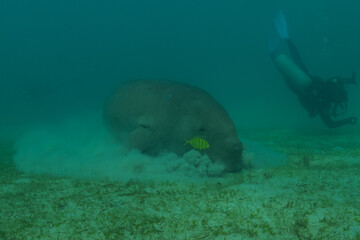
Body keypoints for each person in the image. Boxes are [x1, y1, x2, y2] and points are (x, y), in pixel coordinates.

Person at [269, 11, 357, 128]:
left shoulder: (333, 85)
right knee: (286, 73)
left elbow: (337, 79)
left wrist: (350, 80)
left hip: (308, 78)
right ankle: (272, 53)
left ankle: (287, 39)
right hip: (301, 86)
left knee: (297, 60)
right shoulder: (324, 104)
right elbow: (330, 124)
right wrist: (348, 121)